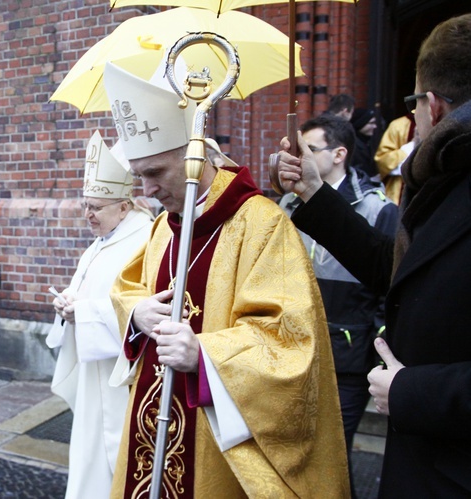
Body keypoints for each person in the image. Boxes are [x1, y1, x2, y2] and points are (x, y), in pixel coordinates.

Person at [102, 62, 349, 497]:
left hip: (215, 442)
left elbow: (291, 343)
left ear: (195, 160)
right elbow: (128, 288)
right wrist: (137, 312)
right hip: (151, 417)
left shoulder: (262, 224)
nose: (145, 191)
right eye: (138, 175)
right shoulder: (165, 226)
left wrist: (205, 354)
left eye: (155, 173)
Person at [274, 14, 471, 497]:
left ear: (433, 106)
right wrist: (315, 194)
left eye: (412, 105)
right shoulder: (447, 179)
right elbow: (401, 270)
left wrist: (413, 392)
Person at [278, 115, 398, 495]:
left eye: (310, 150)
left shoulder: (379, 209)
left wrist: (374, 347)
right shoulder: (286, 204)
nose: (301, 157)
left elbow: (389, 285)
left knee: (333, 455)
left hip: (348, 357)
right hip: (299, 348)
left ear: (339, 154)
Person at [46, 131, 153, 499]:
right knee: (89, 452)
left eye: (96, 207)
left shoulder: (145, 240)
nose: (88, 214)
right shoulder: (100, 242)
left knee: (116, 456)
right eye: (85, 205)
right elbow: (88, 290)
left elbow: (142, 304)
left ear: (124, 207)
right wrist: (67, 306)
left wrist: (86, 313)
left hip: (122, 374)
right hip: (95, 367)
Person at [374, 114, 417, 204]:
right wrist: (411, 146)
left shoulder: (442, 122)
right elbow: (382, 160)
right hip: (399, 191)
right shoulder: (398, 126)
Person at [350, 107, 379, 177]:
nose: (375, 126)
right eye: (371, 123)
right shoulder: (352, 145)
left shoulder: (367, 142)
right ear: (361, 124)